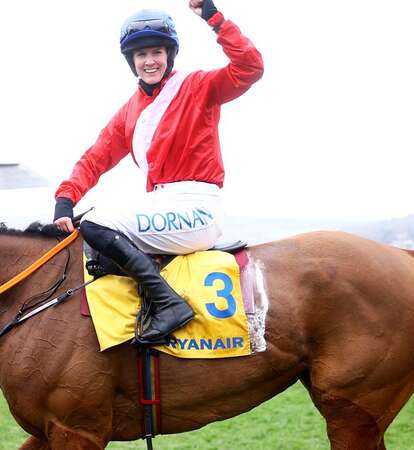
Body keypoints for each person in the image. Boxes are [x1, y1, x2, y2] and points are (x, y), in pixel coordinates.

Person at [54, 0, 263, 344]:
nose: (149, 61)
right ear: (131, 61)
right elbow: (95, 158)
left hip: (196, 208)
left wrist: (213, 17)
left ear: (169, 55)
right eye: (141, 55)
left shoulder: (197, 87)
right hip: (163, 206)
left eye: (156, 52)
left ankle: (170, 305)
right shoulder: (130, 111)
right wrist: (65, 198)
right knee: (92, 232)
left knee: (96, 223)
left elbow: (250, 67)